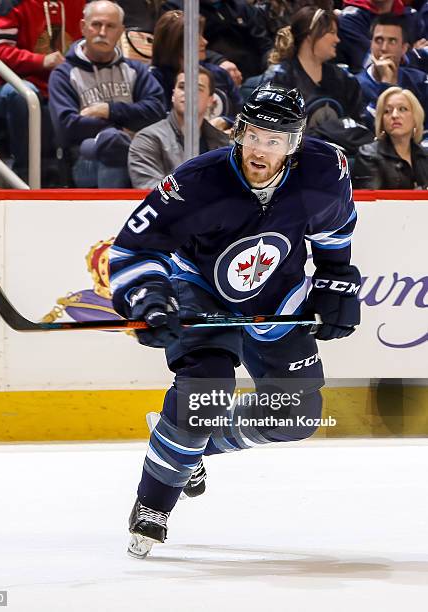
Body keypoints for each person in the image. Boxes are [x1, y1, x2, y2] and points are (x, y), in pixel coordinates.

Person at [108, 83, 361, 558]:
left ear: (295, 143)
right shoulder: (197, 183)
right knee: (205, 393)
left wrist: (336, 280)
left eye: (275, 140)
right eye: (255, 135)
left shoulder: (325, 172)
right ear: (239, 132)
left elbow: (334, 233)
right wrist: (149, 298)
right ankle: (153, 503)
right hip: (201, 292)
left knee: (295, 415)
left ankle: (188, 448)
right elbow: (133, 249)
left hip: (277, 296)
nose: (261, 150)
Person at [48, 0, 166, 188]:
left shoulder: (135, 70)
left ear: (120, 31)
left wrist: (108, 110)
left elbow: (156, 111)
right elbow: (67, 127)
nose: (102, 32)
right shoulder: (63, 74)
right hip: (85, 160)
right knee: (113, 143)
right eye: (96, 24)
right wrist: (121, 130)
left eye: (110, 26)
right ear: (83, 27)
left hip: (135, 154)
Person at [242, 6, 370, 154]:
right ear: (311, 35)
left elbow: (357, 124)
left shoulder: (344, 79)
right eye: (332, 32)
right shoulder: (279, 78)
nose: (337, 39)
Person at [0, 0, 85, 183]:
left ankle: (76, 181)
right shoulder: (14, 3)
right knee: (24, 95)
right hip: (13, 87)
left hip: (65, 89)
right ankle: (26, 175)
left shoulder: (83, 4)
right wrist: (40, 61)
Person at [128, 67, 229, 189]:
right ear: (173, 95)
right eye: (182, 87)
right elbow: (151, 191)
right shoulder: (147, 139)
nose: (188, 92)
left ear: (210, 100)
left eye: (198, 89)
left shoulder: (224, 144)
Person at [150, 10, 243, 128]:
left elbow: (244, 116)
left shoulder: (219, 74)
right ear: (175, 43)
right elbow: (158, 122)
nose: (205, 42)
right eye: (196, 37)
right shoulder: (155, 79)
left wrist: (226, 121)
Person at [161, 0, 272, 82]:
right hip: (209, 75)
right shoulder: (177, 8)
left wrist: (272, 64)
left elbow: (264, 44)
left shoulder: (242, 7)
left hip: (253, 76)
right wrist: (217, 61)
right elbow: (180, 45)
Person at [356, 14, 428, 131]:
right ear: (371, 44)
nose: (384, 48)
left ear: (404, 48)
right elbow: (381, 131)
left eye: (392, 41)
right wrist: (386, 83)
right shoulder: (354, 86)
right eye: (378, 40)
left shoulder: (420, 81)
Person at [352, 86, 428, 188]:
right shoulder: (368, 155)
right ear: (382, 121)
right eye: (387, 111)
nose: (394, 115)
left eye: (402, 109)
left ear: (415, 118)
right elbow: (372, 201)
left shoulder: (425, 155)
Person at [336, 0, 427, 73]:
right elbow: (376, 63)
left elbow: (424, 59)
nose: (384, 46)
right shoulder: (349, 19)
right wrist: (412, 53)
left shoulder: (411, 15)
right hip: (367, 89)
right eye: (379, 41)